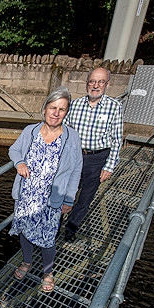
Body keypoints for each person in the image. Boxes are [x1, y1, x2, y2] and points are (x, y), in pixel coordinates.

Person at [9, 87, 82, 292]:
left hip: (52, 198)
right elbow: (13, 149)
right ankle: (27, 261)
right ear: (45, 109)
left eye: (61, 109)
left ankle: (48, 272)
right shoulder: (30, 131)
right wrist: (20, 162)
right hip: (27, 195)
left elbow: (76, 169)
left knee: (48, 238)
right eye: (53, 107)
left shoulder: (72, 137)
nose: (56, 113)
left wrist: (69, 198)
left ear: (66, 112)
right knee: (25, 231)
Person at [62, 67, 123, 242]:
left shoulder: (114, 107)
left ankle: (71, 229)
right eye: (92, 81)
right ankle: (55, 225)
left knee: (85, 197)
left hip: (97, 159)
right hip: (74, 157)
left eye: (100, 82)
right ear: (87, 83)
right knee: (65, 192)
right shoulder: (75, 105)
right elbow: (63, 131)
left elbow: (117, 140)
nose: (95, 86)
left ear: (107, 84)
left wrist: (109, 166)